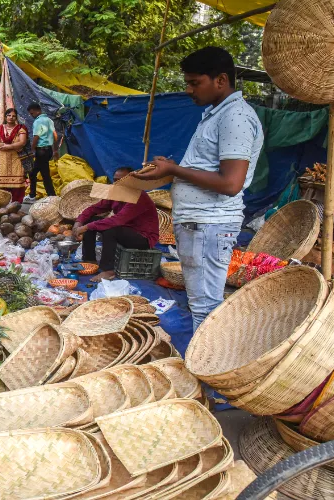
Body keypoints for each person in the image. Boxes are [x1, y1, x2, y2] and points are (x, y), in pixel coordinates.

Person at [133, 46, 263, 331]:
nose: (190, 90)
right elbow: (208, 169)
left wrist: (174, 170)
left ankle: (205, 367)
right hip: (200, 222)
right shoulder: (217, 113)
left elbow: (231, 183)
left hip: (209, 223)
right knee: (201, 303)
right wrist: (172, 167)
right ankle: (205, 361)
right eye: (188, 83)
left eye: (195, 83)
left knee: (206, 307)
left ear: (221, 80)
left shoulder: (235, 117)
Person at [73, 167, 159, 282]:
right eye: (115, 180)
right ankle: (89, 260)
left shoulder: (138, 196)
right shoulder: (116, 193)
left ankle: (108, 270)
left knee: (110, 229)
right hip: (125, 230)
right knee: (91, 219)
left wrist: (85, 227)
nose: (117, 184)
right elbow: (94, 208)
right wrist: (78, 222)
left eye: (121, 181)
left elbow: (117, 220)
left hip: (143, 237)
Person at [0, 108, 28, 203]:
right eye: (9, 115)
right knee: (1, 181)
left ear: (16, 118)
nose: (11, 118)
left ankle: (16, 204)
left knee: (18, 179)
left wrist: (8, 146)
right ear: (5, 116)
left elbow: (22, 142)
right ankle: (2, 203)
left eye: (13, 116)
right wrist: (12, 146)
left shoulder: (21, 128)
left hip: (16, 157)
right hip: (2, 158)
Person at [24, 103, 57, 202]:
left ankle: (34, 195)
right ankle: (51, 195)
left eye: (31, 113)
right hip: (49, 150)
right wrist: (55, 150)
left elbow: (36, 137)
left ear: (35, 111)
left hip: (41, 150)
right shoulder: (49, 120)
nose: (31, 115)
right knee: (39, 173)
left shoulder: (38, 121)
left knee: (37, 173)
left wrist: (32, 149)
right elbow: (55, 135)